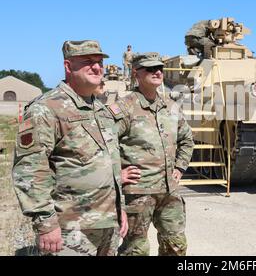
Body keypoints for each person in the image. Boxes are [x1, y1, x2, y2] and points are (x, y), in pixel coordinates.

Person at [12, 40, 128, 256]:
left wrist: (120, 210)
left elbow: (110, 166)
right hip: (70, 230)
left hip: (108, 225)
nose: (97, 67)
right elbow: (29, 169)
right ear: (68, 66)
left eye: (100, 62)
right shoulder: (46, 109)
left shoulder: (100, 110)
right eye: (88, 62)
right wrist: (46, 223)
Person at [111, 53, 194, 256]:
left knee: (176, 245)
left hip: (169, 191)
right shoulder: (124, 107)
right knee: (136, 250)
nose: (157, 72)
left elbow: (187, 140)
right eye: (150, 68)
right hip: (138, 194)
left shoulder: (171, 107)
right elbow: (104, 145)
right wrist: (116, 175)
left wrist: (180, 168)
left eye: (160, 68)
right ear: (136, 73)